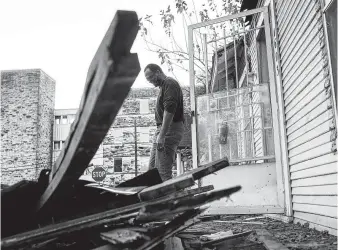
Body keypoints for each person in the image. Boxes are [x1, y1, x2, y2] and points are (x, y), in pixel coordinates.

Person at [144, 64, 185, 181]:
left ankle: (169, 198)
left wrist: (162, 136)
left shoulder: (169, 84)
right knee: (152, 171)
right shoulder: (164, 86)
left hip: (169, 130)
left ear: (158, 71)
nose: (151, 81)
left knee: (162, 172)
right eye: (148, 80)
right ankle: (153, 197)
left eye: (151, 77)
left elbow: (169, 110)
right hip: (162, 130)